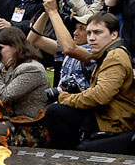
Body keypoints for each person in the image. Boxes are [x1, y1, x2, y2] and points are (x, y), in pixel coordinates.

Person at [45, 13, 135, 149]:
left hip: (115, 123)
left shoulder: (115, 57)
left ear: (114, 35)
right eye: (89, 33)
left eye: (98, 32)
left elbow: (100, 97)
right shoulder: (105, 54)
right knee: (58, 111)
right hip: (105, 115)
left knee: (55, 112)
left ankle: (68, 159)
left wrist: (64, 97)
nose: (91, 38)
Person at [0, 27, 49, 120]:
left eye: (0, 48)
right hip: (7, 115)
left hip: (26, 122)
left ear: (15, 47)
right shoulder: (6, 64)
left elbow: (5, 96)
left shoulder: (32, 69)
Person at [28, 0, 95, 92]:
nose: (75, 33)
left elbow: (70, 49)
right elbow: (33, 40)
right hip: (62, 101)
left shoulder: (94, 51)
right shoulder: (67, 47)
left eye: (82, 29)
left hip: (80, 105)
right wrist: (46, 12)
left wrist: (53, 12)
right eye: (76, 28)